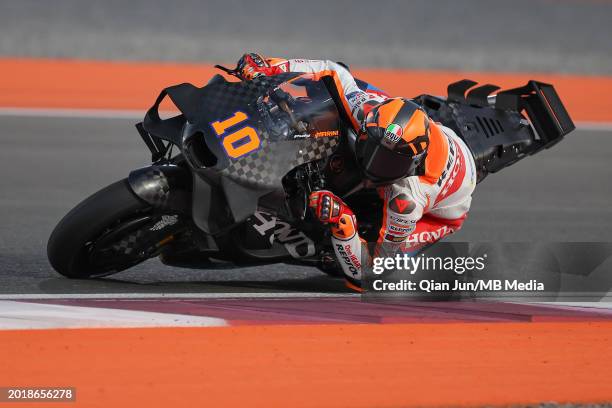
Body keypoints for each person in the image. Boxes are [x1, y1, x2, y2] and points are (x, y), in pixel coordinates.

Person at [236, 53, 477, 290]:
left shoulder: (407, 201)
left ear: (411, 163)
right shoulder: (368, 112)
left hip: (441, 214)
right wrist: (269, 67)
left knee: (364, 252)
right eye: (371, 147)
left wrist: (344, 224)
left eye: (388, 163)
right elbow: (333, 70)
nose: (373, 165)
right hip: (436, 134)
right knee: (333, 95)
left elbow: (371, 275)